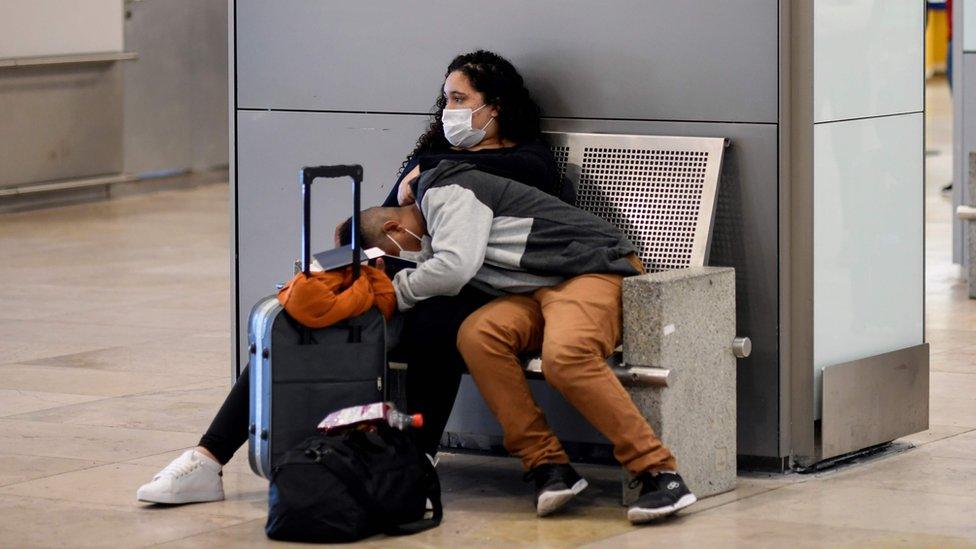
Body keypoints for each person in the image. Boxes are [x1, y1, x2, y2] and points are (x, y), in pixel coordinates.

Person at [136, 50, 563, 505]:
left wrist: (435, 175)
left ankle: (415, 465)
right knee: (297, 316)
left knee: (435, 321)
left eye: (460, 99)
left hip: (475, 282)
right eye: (446, 100)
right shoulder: (431, 153)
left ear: (494, 106)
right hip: (405, 272)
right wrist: (345, 266)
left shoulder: (527, 158)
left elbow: (528, 181)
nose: (449, 112)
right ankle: (206, 458)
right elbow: (385, 225)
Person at [346, 159, 696, 524]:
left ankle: (660, 473)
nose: (403, 264)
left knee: (567, 356)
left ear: (394, 227)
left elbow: (455, 268)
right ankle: (548, 465)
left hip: (589, 270)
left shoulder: (444, 192)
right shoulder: (434, 231)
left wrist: (393, 294)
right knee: (477, 335)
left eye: (392, 254)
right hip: (536, 290)